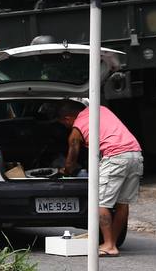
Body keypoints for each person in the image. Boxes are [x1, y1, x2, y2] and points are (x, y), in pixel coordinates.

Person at [57, 101, 143, 257]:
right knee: (122, 203)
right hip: (135, 154)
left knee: (99, 202)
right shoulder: (100, 109)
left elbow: (73, 155)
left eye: (64, 124)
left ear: (68, 118)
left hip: (115, 157)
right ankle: (111, 243)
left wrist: (67, 172)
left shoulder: (77, 127)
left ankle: (109, 245)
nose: (66, 127)